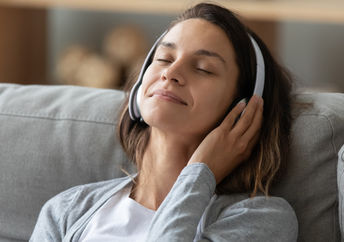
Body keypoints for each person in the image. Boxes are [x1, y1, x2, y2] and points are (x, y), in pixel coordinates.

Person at [30, 2, 298, 241]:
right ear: (138, 88)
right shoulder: (67, 210)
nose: (171, 73)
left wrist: (200, 172)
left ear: (244, 111)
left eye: (203, 68)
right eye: (164, 58)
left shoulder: (263, 218)